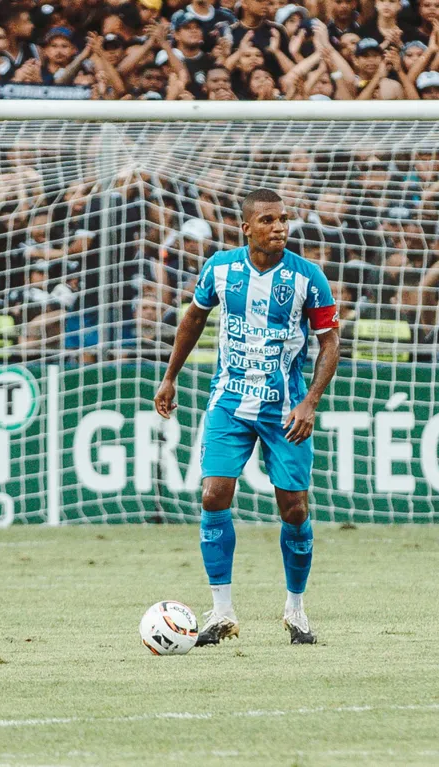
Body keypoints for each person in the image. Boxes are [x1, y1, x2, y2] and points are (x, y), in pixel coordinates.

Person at [153, 188, 340, 645]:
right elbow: (193, 320)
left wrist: (310, 401)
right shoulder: (220, 268)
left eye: (284, 219)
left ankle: (295, 609)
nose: (280, 228)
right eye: (269, 220)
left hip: (285, 409)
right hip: (229, 401)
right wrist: (170, 376)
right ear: (247, 227)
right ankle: (221, 612)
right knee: (214, 495)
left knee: (293, 508)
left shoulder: (307, 277)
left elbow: (330, 343)